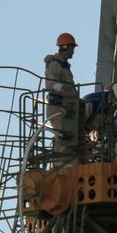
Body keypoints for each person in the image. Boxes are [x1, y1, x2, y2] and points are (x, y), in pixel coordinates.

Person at [44, 33, 81, 165]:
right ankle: (59, 166)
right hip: (57, 107)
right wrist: (60, 87)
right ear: (66, 47)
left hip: (66, 107)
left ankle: (67, 163)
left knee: (69, 135)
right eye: (72, 48)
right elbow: (50, 84)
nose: (73, 51)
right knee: (64, 136)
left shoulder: (64, 65)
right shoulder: (55, 64)